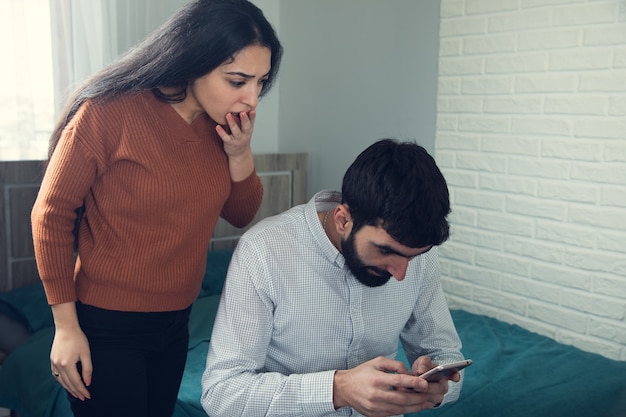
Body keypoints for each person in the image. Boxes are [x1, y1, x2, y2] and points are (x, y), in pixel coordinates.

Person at [30, 1, 282, 416]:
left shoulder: (221, 127)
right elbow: (50, 216)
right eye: (238, 80)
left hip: (175, 322)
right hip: (107, 325)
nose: (252, 97)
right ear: (193, 60)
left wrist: (240, 153)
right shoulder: (109, 113)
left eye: (261, 81)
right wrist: (65, 327)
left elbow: (240, 214)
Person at [201, 139, 466, 417]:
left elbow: (446, 356)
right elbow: (222, 394)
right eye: (385, 251)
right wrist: (337, 389)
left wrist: (439, 387)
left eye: (411, 258)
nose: (400, 274)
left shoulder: (417, 255)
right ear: (343, 220)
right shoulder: (264, 251)